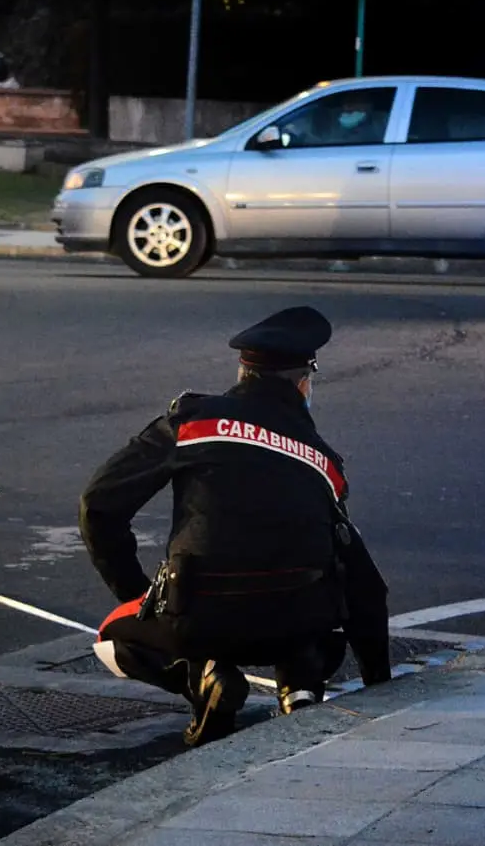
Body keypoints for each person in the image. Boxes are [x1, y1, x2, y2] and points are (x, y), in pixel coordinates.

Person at [80, 305, 392, 747]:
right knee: (308, 589)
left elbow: (98, 504)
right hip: (294, 625)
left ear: (243, 372)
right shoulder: (323, 462)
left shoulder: (190, 424)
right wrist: (380, 683)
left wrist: (137, 594)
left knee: (112, 638)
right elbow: (365, 584)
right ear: (304, 381)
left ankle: (203, 678)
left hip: (198, 623)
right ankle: (299, 688)